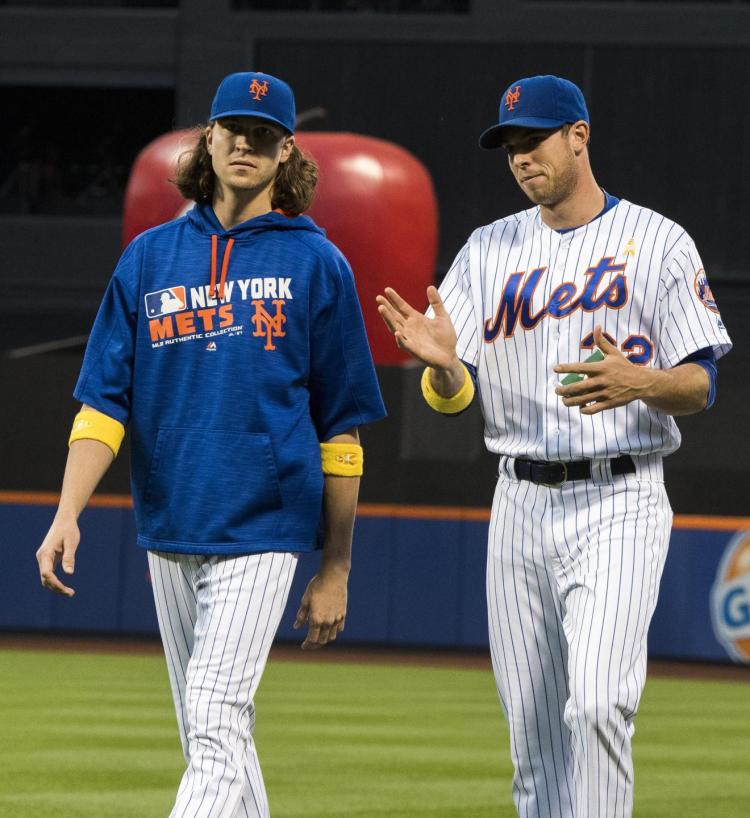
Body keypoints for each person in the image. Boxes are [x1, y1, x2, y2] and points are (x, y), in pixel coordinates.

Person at [377, 74, 731, 818]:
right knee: (534, 744)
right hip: (520, 500)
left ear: (580, 136)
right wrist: (442, 371)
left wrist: (642, 380)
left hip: (622, 494)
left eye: (533, 139)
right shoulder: (487, 249)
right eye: (508, 145)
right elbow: (454, 397)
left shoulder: (658, 242)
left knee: (599, 705)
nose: (520, 157)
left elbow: (701, 387)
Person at [36, 70, 386, 818]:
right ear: (210, 136)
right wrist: (67, 511)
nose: (247, 145)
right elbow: (103, 404)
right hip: (170, 524)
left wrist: (337, 566)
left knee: (216, 715)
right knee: (214, 735)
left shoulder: (317, 264)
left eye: (265, 135)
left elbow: (342, 429)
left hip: (264, 522)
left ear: (286, 151)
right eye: (235, 129)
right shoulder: (149, 258)